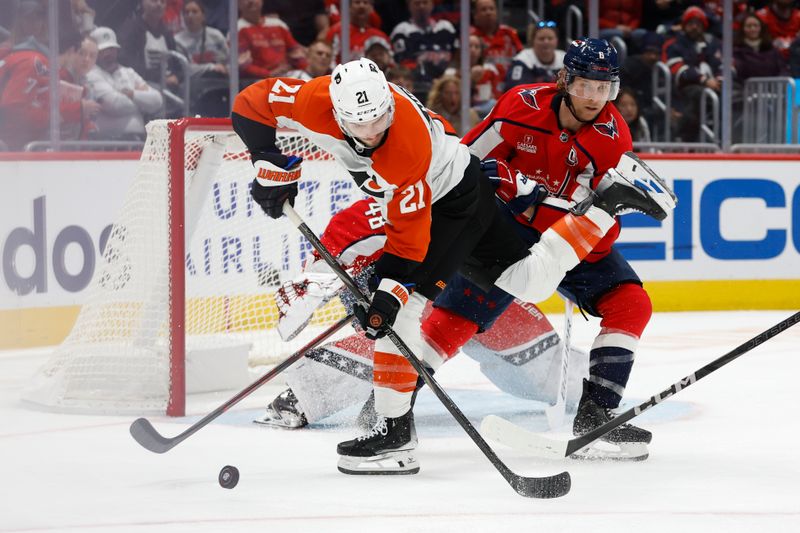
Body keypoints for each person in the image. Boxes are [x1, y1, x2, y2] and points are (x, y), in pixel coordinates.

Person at [231, 56, 673, 474]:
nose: (371, 132)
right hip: (469, 189)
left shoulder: (404, 150)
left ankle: (393, 435)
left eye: (380, 119)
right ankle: (606, 205)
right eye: (359, 124)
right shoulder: (312, 99)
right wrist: (266, 160)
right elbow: (250, 104)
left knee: (396, 314)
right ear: (335, 110)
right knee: (531, 282)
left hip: (451, 203)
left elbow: (409, 244)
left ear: (389, 99)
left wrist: (387, 293)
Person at [433, 37, 671, 461]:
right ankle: (388, 416)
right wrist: (498, 186)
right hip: (504, 236)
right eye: (585, 86)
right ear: (565, 80)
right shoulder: (518, 106)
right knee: (451, 322)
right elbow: (465, 165)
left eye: (605, 89)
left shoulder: (613, 140)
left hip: (567, 243)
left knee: (631, 304)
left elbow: (600, 223)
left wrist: (534, 196)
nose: (595, 99)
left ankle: (595, 418)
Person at [257, 198, 590, 430]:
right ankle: (304, 394)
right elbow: (319, 275)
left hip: (478, 293)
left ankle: (590, 387)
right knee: (403, 336)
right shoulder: (368, 218)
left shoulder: (466, 195)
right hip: (398, 302)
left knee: (547, 367)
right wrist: (313, 288)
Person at [85, 26, 163, 140]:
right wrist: (143, 103)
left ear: (117, 50)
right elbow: (115, 105)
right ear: (95, 53)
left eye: (111, 49)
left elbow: (157, 101)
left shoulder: (128, 72)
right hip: (106, 143)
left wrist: (132, 94)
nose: (108, 54)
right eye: (103, 50)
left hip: (137, 141)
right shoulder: (91, 74)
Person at [662, 6, 722, 142]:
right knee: (699, 95)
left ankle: (729, 138)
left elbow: (723, 65)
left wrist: (720, 80)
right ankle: (684, 140)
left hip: (713, 85)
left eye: (698, 23)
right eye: (690, 23)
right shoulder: (674, 44)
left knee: (733, 92)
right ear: (684, 26)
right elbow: (678, 69)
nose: (694, 27)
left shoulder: (713, 44)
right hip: (683, 89)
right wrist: (704, 80)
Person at [390, 0, 458, 83]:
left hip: (447, 81)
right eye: (417, 3)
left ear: (432, 5)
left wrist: (447, 76)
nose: (421, 6)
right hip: (417, 84)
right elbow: (402, 63)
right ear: (409, 6)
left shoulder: (446, 27)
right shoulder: (401, 31)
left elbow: (457, 56)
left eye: (425, 2)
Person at [237, 0, 308, 80]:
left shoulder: (278, 24)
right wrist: (269, 74)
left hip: (287, 74)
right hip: (258, 80)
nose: (251, 1)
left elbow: (295, 53)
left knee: (306, 80)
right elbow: (242, 65)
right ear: (238, 4)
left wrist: (305, 69)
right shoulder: (237, 28)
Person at [505, 20, 565, 89]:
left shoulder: (564, 58)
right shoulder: (522, 59)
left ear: (556, 40)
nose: (546, 42)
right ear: (532, 41)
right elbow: (516, 88)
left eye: (550, 38)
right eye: (541, 39)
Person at [324, 0, 390, 63]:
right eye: (357, 2)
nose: (362, 6)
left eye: (365, 2)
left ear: (371, 8)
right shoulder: (336, 32)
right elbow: (329, 61)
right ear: (349, 7)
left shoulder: (380, 37)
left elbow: (390, 63)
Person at [469, 0, 522, 79]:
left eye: (491, 9)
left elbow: (522, 57)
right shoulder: (470, 36)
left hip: (510, 83)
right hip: (482, 84)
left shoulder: (509, 33)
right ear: (475, 15)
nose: (488, 13)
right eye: (484, 9)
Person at [733, 12, 787, 84]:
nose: (753, 29)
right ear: (743, 29)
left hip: (773, 91)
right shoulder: (737, 51)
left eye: (756, 25)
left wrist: (779, 83)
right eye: (749, 26)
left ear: (761, 28)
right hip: (746, 91)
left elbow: (783, 70)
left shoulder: (773, 50)